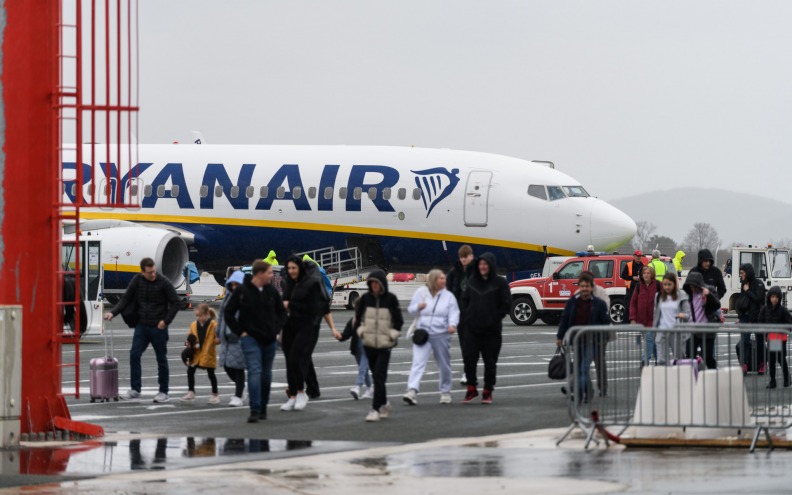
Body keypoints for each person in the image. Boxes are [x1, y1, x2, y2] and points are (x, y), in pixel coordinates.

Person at [105, 257, 180, 403]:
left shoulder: (163, 282)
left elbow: (176, 302)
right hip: (142, 326)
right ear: (142, 272)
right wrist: (113, 313)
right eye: (149, 272)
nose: (152, 275)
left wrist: (165, 321)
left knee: (161, 359)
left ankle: (163, 392)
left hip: (159, 327)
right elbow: (125, 299)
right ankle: (135, 390)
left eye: (153, 271)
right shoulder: (137, 281)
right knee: (134, 355)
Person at [224, 260, 286, 423]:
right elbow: (228, 313)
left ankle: (263, 407)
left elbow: (282, 314)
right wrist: (241, 332)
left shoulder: (271, 291)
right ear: (260, 274)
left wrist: (275, 329)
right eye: (270, 273)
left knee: (266, 374)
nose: (272, 276)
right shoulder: (242, 291)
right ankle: (254, 409)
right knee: (254, 371)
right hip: (249, 338)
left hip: (269, 340)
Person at [280, 255, 341, 412]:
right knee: (296, 360)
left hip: (308, 326)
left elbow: (321, 310)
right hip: (293, 326)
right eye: (289, 268)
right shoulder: (290, 284)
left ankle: (303, 391)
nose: (291, 271)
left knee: (300, 358)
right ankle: (300, 393)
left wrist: (333, 329)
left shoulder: (312, 286)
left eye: (294, 268)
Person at [403, 269, 460, 405]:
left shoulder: (448, 296)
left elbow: (454, 312)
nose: (444, 280)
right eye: (441, 278)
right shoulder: (421, 293)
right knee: (418, 362)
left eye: (444, 278)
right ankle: (412, 390)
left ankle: (445, 392)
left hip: (441, 334)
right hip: (423, 333)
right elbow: (411, 310)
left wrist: (452, 324)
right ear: (434, 280)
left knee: (444, 364)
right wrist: (418, 306)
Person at [460, 252, 511, 404]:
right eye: (480, 264)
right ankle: (471, 389)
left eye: (485, 264)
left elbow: (507, 303)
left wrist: (495, 317)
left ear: (491, 266)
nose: (482, 267)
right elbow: (464, 301)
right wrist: (468, 316)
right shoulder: (472, 281)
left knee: (490, 362)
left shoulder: (500, 283)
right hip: (472, 330)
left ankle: (487, 391)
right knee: (469, 360)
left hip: (491, 331)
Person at [355, 270, 404, 422]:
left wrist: (392, 336)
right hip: (369, 344)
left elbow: (399, 321)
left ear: (382, 283)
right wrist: (362, 332)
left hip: (384, 345)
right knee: (377, 377)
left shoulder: (390, 299)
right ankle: (384, 403)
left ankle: (374, 409)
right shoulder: (365, 299)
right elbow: (358, 319)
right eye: (372, 283)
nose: (374, 285)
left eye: (377, 282)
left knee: (379, 376)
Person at [556, 272, 610, 403]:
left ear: (592, 287)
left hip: (592, 341)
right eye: (582, 286)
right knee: (580, 369)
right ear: (579, 286)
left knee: (583, 368)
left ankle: (579, 395)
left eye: (587, 286)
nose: (584, 288)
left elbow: (606, 322)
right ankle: (589, 391)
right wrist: (560, 336)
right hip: (577, 341)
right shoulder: (572, 302)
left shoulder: (599, 303)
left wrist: (603, 338)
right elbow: (565, 319)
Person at [216, 270, 247, 407]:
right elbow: (221, 315)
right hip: (226, 336)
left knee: (238, 367)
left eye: (237, 284)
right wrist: (218, 333)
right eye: (232, 285)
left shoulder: (246, 298)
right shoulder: (228, 297)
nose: (234, 287)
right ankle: (241, 388)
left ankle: (238, 395)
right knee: (227, 366)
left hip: (239, 337)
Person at [446, 245, 475, 385]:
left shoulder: (477, 272)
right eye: (461, 257)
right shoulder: (454, 272)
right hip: (460, 314)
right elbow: (450, 292)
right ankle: (467, 371)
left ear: (471, 256)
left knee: (472, 344)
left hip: (474, 313)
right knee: (464, 344)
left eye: (466, 256)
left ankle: (469, 371)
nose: (463, 259)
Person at [181, 303, 220, 404]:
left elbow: (217, 338)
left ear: (207, 314)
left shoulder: (213, 325)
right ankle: (191, 392)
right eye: (197, 315)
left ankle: (215, 395)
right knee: (190, 371)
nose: (198, 317)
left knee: (211, 374)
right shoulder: (194, 324)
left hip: (208, 354)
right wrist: (187, 343)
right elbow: (190, 336)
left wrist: (217, 340)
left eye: (200, 315)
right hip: (196, 354)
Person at [682, 272, 721, 369]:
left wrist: (709, 295)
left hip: (707, 330)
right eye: (691, 287)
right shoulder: (687, 294)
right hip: (692, 330)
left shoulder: (709, 290)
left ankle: (713, 372)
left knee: (706, 357)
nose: (694, 289)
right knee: (690, 357)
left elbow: (717, 305)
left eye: (695, 287)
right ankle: (693, 377)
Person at [758, 286, 792, 388]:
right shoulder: (765, 309)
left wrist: (785, 329)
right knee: (773, 360)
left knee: (779, 359)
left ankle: (785, 379)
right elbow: (760, 321)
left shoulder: (783, 310)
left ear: (779, 298)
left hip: (780, 338)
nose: (774, 299)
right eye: (772, 296)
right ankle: (776, 380)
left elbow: (790, 322)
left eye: (776, 297)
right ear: (769, 297)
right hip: (771, 338)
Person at [338, 299, 373, 400]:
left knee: (362, 368)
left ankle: (358, 387)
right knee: (364, 369)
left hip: (368, 348)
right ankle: (369, 388)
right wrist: (338, 336)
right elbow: (345, 335)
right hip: (357, 349)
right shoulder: (353, 320)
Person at [653, 272, 690, 365]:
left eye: (669, 284)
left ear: (674, 284)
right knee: (661, 359)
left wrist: (683, 315)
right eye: (665, 284)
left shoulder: (682, 295)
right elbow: (656, 314)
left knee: (679, 358)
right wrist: (654, 330)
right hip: (662, 330)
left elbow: (688, 315)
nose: (667, 287)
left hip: (676, 331)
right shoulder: (658, 296)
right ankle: (662, 378)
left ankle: (679, 377)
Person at [736, 263, 766, 375]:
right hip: (745, 316)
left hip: (757, 317)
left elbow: (759, 299)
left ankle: (762, 364)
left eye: (742, 273)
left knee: (760, 341)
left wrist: (748, 291)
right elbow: (742, 301)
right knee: (745, 341)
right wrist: (739, 316)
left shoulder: (758, 284)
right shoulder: (744, 284)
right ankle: (744, 365)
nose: (741, 275)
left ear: (747, 273)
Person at [630, 265, 660, 365]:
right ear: (641, 275)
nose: (646, 275)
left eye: (648, 273)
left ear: (652, 275)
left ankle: (644, 361)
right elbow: (633, 303)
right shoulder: (638, 287)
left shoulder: (658, 285)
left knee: (650, 340)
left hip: (654, 320)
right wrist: (633, 318)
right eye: (644, 273)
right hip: (642, 321)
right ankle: (658, 360)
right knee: (652, 341)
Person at [621, 251, 644, 323]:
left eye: (640, 256)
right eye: (637, 256)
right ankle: (625, 323)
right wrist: (632, 278)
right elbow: (623, 276)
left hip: (640, 288)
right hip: (630, 288)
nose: (638, 257)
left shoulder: (642, 266)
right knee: (628, 306)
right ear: (634, 256)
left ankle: (636, 321)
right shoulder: (629, 265)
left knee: (638, 306)